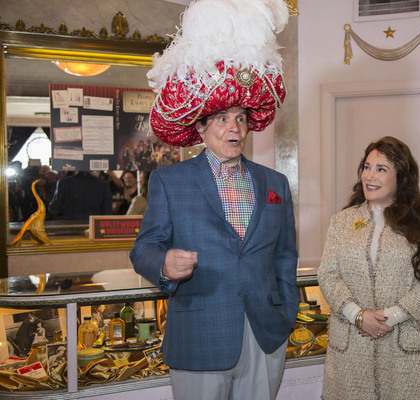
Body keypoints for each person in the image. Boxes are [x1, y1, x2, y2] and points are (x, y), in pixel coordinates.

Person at [130, 1, 297, 399]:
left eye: (240, 118)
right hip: (199, 337)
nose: (234, 128)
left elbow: (285, 256)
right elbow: (144, 248)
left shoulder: (274, 183)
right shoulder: (170, 182)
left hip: (265, 336)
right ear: (201, 128)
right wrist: (165, 265)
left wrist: (285, 312)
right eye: (222, 119)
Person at [318, 136, 420, 399]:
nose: (370, 176)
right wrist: (357, 315)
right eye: (367, 167)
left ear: (401, 177)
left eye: (381, 169)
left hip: (403, 345)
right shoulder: (342, 222)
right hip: (351, 346)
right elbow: (328, 274)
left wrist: (392, 316)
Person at [48, 171, 113, 220]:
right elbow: (108, 211)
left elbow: (54, 209)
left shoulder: (63, 182)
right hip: (94, 226)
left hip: (69, 225)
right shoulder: (103, 184)